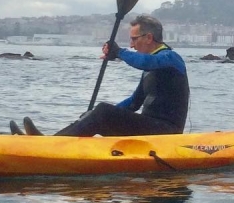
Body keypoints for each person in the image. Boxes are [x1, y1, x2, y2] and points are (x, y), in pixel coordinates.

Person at [10, 15, 189, 137]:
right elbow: (134, 103)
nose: (132, 44)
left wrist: (119, 52)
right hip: (151, 128)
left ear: (149, 38)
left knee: (103, 111)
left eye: (134, 39)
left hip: (167, 132)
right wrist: (93, 115)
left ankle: (51, 144)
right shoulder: (150, 66)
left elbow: (145, 63)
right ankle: (54, 141)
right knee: (99, 112)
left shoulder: (171, 58)